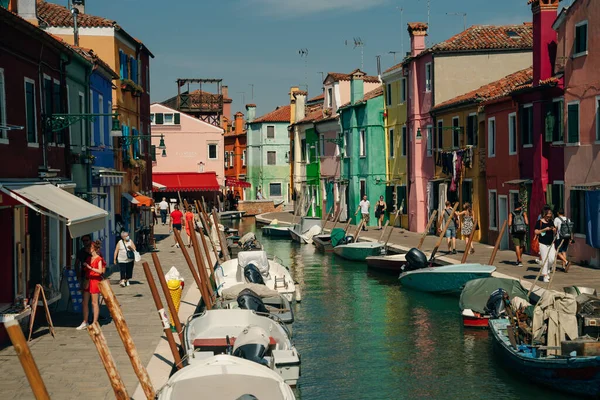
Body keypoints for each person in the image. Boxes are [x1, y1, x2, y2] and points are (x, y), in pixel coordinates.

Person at [77, 240, 106, 330]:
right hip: (88, 280)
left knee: (94, 302)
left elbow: (100, 271)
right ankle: (85, 321)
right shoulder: (89, 259)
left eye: (90, 248)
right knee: (85, 302)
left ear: (94, 249)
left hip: (95, 281)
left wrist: (90, 267)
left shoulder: (98, 259)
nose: (89, 249)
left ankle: (95, 322)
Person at [534, 208, 557, 283]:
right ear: (544, 215)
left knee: (552, 259)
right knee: (545, 260)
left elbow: (554, 230)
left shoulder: (551, 222)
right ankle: (545, 276)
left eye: (550, 216)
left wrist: (554, 230)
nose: (549, 217)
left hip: (551, 243)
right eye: (548, 216)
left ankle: (547, 269)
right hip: (542, 243)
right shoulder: (539, 222)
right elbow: (536, 232)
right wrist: (544, 229)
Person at [508, 202, 529, 267]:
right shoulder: (523, 213)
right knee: (521, 245)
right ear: (520, 207)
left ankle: (519, 260)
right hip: (522, 231)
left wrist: (511, 228)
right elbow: (527, 222)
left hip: (515, 231)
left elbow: (509, 223)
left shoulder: (511, 213)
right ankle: (519, 259)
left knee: (517, 245)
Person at [554, 208, 574, 272]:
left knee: (557, 251)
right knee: (564, 251)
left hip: (559, 237)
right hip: (567, 237)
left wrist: (554, 235)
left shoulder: (556, 219)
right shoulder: (568, 219)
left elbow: (555, 228)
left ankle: (566, 261)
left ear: (558, 213)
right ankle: (564, 267)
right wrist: (571, 238)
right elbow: (570, 230)